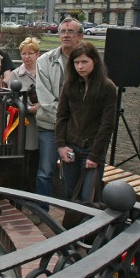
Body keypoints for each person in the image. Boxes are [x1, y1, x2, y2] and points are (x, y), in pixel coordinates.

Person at [56, 42, 117, 201]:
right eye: (76, 62)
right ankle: (72, 225)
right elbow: (62, 116)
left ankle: (89, 225)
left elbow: (107, 124)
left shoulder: (107, 87)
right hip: (71, 146)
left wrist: (95, 155)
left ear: (94, 61)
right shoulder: (69, 84)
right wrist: (61, 145)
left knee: (88, 196)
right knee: (70, 192)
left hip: (92, 148)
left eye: (84, 62)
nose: (80, 66)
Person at [35, 17, 83, 209]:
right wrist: (69, 119)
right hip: (50, 126)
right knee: (45, 171)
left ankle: (73, 214)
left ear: (80, 36)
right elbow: (45, 100)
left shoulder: (87, 60)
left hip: (78, 131)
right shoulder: (44, 61)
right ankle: (42, 211)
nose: (65, 35)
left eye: (70, 31)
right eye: (62, 31)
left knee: (73, 173)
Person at [10, 37, 41, 192]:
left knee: (41, 157)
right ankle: (26, 188)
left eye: (30, 53)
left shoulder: (43, 71)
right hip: (27, 122)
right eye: (23, 53)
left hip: (44, 119)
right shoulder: (16, 74)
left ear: (37, 54)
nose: (27, 56)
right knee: (28, 155)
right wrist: (29, 109)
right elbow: (12, 99)